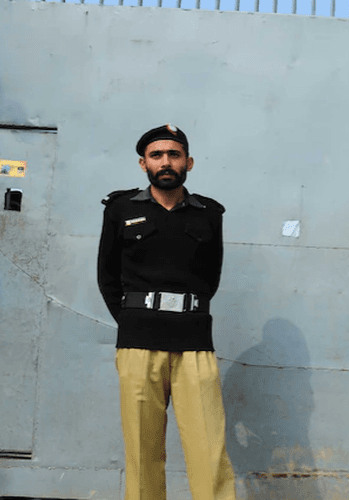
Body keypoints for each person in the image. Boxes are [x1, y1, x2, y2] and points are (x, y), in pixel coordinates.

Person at [97, 124, 236, 500]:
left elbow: (210, 277)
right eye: (156, 155)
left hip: (194, 342)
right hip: (138, 343)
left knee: (208, 450)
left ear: (188, 162)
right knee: (142, 451)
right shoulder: (121, 209)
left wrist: (185, 312)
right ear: (143, 164)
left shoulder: (209, 213)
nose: (166, 162)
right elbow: (107, 276)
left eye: (174, 154)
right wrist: (133, 319)